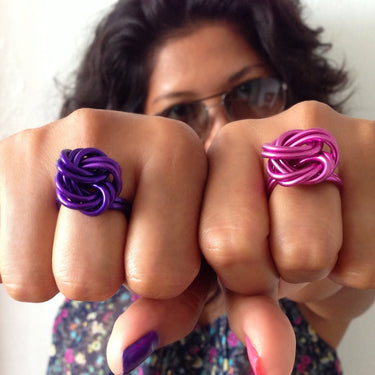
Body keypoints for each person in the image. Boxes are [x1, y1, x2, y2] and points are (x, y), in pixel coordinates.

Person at [0, 0, 375, 374]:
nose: (221, 131)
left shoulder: (311, 273)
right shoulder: (86, 269)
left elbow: (343, 286)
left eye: (251, 91)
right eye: (180, 111)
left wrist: (321, 254)